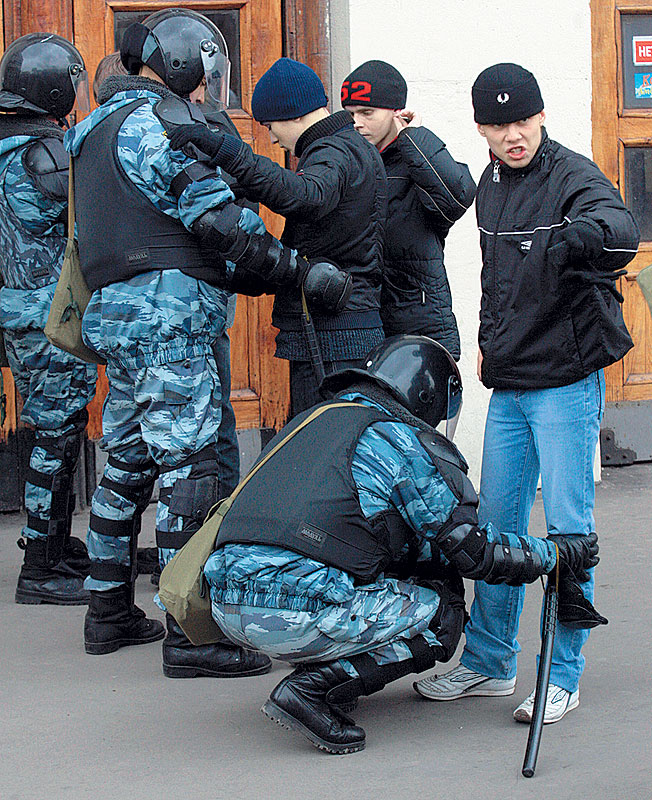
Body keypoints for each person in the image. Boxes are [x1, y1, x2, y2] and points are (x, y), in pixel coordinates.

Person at [66, 8, 345, 671]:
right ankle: (191, 635)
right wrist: (302, 274)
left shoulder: (91, 130)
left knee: (128, 463)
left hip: (119, 320)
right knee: (189, 470)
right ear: (191, 66)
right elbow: (222, 225)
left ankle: (106, 609)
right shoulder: (159, 126)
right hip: (169, 321)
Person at [200, 334, 600, 754]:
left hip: (224, 606)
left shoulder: (312, 419)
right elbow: (475, 553)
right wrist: (554, 554)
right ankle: (310, 687)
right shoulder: (399, 443)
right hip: (291, 612)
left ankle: (324, 668)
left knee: (356, 562)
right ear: (426, 396)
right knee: (441, 612)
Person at [414, 63, 639, 724]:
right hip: (511, 383)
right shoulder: (491, 181)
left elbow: (617, 226)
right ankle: (489, 663)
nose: (514, 135)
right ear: (482, 128)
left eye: (524, 120)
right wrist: (488, 342)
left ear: (541, 115)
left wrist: (589, 235)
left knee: (570, 531)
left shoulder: (572, 177)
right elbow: (497, 277)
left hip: (565, 384)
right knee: (498, 529)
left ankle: (562, 676)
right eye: (499, 124)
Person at [168, 57, 388, 416]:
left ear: (295, 115)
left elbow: (305, 197)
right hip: (336, 332)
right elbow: (314, 245)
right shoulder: (344, 148)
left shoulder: (335, 151)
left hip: (333, 337)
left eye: (271, 125)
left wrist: (226, 150)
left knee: (319, 454)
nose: (271, 137)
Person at [0, 33, 98, 606]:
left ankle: (52, 546)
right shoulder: (44, 153)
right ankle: (41, 565)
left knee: (43, 427)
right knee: (58, 433)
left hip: (15, 312)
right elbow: (90, 213)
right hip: (49, 317)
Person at [341, 60, 475, 359]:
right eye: (351, 114)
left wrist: (413, 136)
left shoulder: (416, 159)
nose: (357, 123)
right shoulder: (352, 163)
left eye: (367, 113)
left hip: (419, 324)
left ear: (397, 112)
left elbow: (458, 195)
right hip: (365, 323)